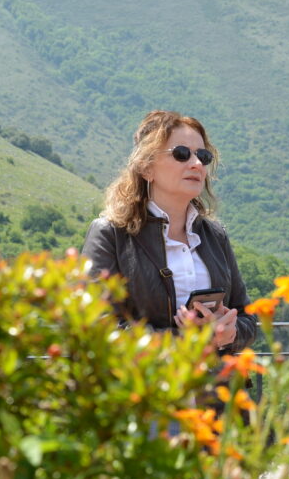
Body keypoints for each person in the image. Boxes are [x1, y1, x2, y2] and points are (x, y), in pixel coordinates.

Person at [83, 110, 257, 356]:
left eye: (203, 156)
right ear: (146, 168)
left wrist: (230, 333)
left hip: (213, 391)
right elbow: (97, 327)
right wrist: (184, 341)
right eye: (181, 154)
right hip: (143, 390)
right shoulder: (110, 234)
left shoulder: (215, 235)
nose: (196, 164)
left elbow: (247, 317)